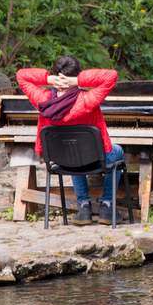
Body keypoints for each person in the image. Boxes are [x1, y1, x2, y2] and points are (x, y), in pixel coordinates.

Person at [16, 55, 124, 226]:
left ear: (55, 73)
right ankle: (106, 205)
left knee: (71, 152)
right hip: (95, 160)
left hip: (62, 161)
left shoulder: (43, 101)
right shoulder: (88, 100)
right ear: (77, 74)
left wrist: (50, 79)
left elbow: (21, 75)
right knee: (117, 151)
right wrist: (77, 81)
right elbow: (110, 76)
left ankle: (84, 206)